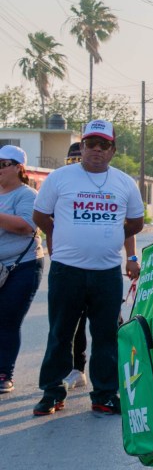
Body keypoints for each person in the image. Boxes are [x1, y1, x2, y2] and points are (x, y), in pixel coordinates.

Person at [32, 119, 145, 416]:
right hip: (66, 270)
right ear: (81, 147)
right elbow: (41, 216)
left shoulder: (125, 183)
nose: (97, 149)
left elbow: (136, 223)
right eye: (90, 143)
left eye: (103, 145)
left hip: (106, 273)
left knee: (106, 335)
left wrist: (113, 239)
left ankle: (105, 394)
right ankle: (52, 392)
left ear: (113, 150)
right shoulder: (60, 178)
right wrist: (57, 235)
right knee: (60, 333)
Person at [58, 141, 141, 392]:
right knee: (72, 324)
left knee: (109, 325)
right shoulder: (64, 185)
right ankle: (76, 369)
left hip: (104, 270)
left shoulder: (111, 185)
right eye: (72, 159)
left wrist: (131, 257)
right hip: (70, 268)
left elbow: (125, 226)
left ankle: (116, 374)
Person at [0, 145, 44, 395]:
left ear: (19, 168)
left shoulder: (27, 195)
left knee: (7, 318)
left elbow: (26, 226)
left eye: (3, 164)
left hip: (23, 265)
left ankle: (4, 373)